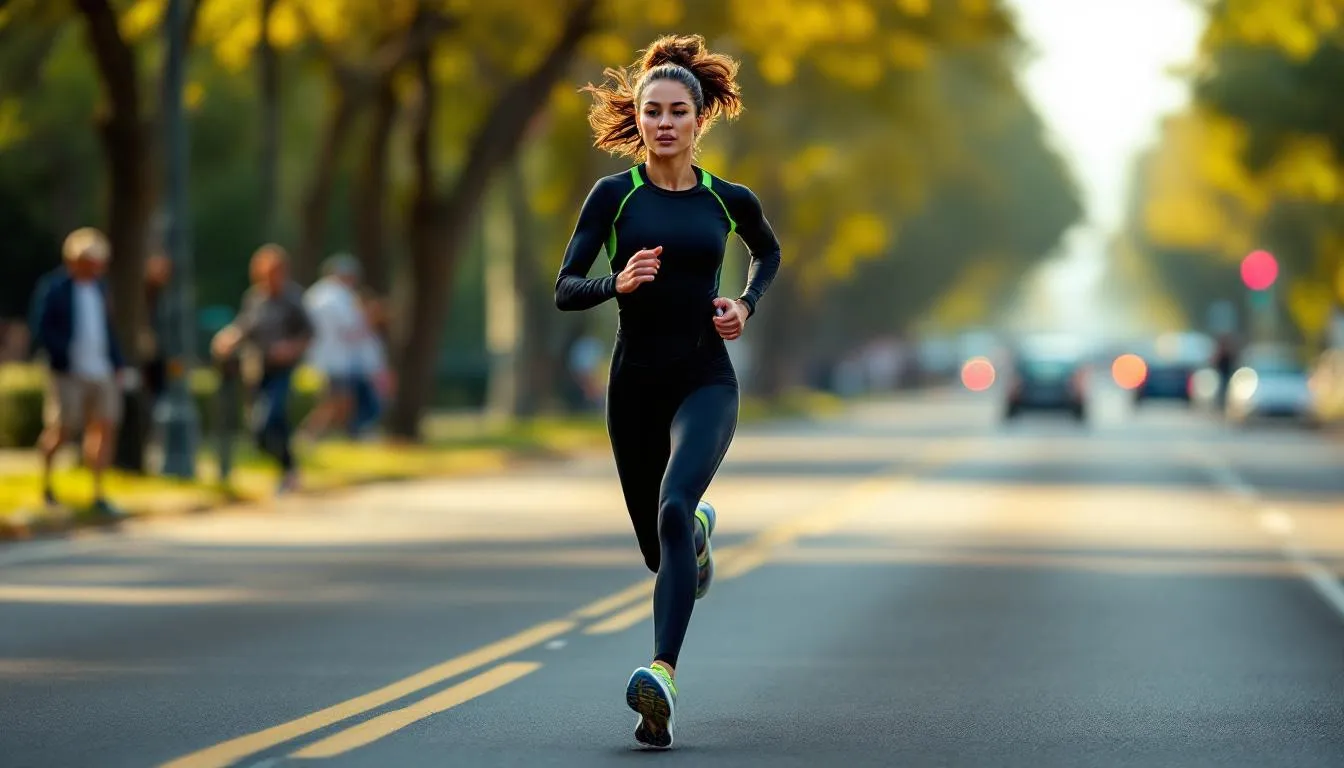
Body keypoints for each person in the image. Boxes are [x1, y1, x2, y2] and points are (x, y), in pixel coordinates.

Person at [555, 34, 781, 748]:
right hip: (635, 387)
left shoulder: (727, 199)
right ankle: (697, 539)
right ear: (639, 118)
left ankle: (662, 678)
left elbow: (768, 251)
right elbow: (564, 288)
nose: (663, 123)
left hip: (705, 378)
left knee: (675, 507)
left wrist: (744, 303)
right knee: (663, 551)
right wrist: (613, 283)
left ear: (698, 120)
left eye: (677, 111)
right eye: (652, 110)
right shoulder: (613, 197)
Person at [31, 227, 127, 518]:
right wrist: (61, 355)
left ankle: (97, 492)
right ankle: (46, 484)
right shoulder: (55, 287)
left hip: (101, 369)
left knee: (105, 426)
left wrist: (117, 363)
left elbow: (108, 330)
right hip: (68, 371)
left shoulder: (100, 288)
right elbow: (42, 328)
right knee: (63, 428)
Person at [210, 245, 313, 493]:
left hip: (282, 370)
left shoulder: (292, 298)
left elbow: (308, 332)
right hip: (257, 369)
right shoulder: (255, 298)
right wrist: (228, 339)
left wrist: (290, 348)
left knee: (271, 418)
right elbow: (244, 327)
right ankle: (289, 470)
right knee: (263, 429)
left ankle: (288, 471)